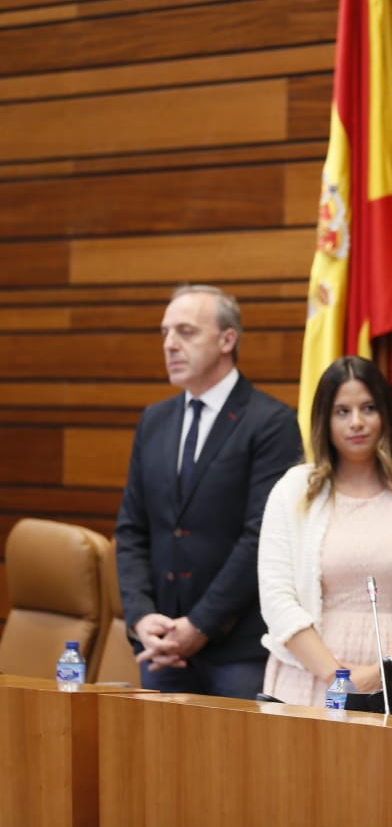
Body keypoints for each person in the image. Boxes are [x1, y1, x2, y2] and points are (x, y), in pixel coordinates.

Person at [115, 285, 302, 698]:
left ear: (226, 340)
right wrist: (142, 618)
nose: (170, 345)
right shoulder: (155, 421)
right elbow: (132, 530)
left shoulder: (271, 423)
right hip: (162, 648)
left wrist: (200, 625)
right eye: (165, 333)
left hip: (238, 652)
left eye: (185, 332)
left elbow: (261, 537)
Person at [257, 355, 392, 717]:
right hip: (307, 676)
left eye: (368, 408)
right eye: (342, 411)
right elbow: (276, 596)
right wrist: (337, 677)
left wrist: (382, 672)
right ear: (324, 419)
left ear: (385, 414)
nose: (357, 422)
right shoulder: (292, 490)